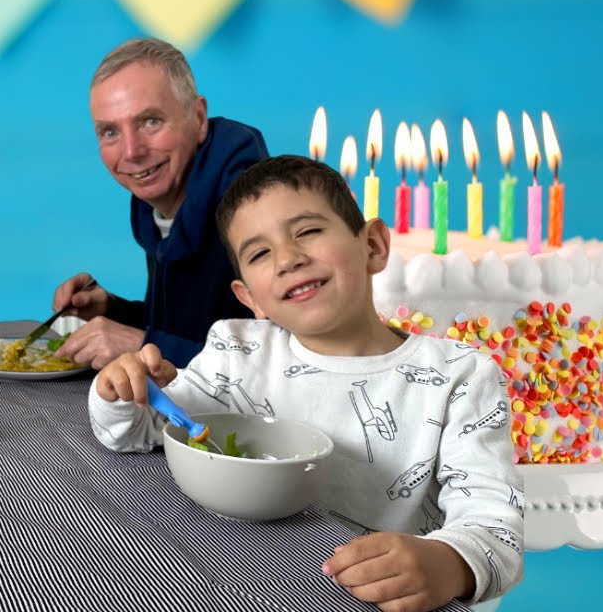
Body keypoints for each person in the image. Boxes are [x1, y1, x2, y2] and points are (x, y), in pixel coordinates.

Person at [88, 156, 523, 610]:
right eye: (259, 254)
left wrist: (449, 563)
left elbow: (495, 530)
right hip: (240, 584)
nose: (288, 259)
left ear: (373, 246)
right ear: (249, 297)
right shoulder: (235, 351)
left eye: (308, 231)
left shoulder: (460, 376)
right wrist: (120, 392)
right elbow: (140, 431)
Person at [53, 37, 268, 370]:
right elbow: (199, 330)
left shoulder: (257, 211)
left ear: (199, 118)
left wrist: (144, 346)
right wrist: (112, 310)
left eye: (150, 121)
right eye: (110, 132)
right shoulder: (160, 208)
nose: (131, 152)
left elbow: (280, 365)